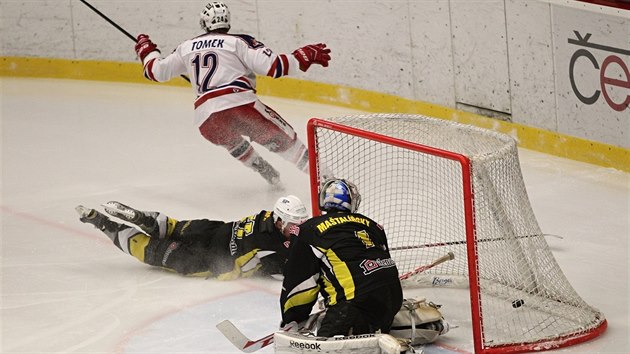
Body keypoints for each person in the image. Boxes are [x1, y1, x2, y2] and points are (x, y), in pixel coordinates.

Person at [133, 2, 331, 187]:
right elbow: (274, 67)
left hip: (206, 119)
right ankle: (330, 183)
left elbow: (155, 72)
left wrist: (147, 50)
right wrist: (301, 58)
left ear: (204, 23)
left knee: (232, 141)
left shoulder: (186, 47)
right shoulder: (238, 41)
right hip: (240, 106)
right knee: (289, 144)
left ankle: (267, 172)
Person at [75, 195, 309, 280]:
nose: (296, 228)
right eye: (293, 225)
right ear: (279, 221)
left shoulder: (266, 216)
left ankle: (141, 217)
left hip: (211, 230)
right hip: (205, 260)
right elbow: (281, 274)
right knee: (148, 250)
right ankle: (101, 221)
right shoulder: (271, 245)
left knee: (172, 227)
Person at [279, 178, 403, 337]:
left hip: (355, 304)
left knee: (328, 339)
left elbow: (299, 280)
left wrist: (293, 318)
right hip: (393, 298)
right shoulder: (373, 225)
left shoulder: (309, 230)